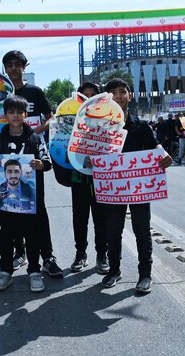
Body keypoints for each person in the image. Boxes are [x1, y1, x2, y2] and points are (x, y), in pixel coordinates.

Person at [98, 79, 173, 293]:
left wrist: (164, 154)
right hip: (112, 188)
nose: (119, 96)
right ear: (107, 98)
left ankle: (145, 274)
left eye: (123, 92)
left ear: (130, 96)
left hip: (139, 187)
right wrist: (88, 161)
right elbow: (90, 152)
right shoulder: (101, 126)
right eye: (113, 92)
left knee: (142, 230)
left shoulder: (140, 125)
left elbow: (155, 145)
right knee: (113, 231)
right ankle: (114, 271)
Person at [0, 50, 63, 277]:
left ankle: (47, 256)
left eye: (18, 64)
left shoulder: (35, 92)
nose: (14, 68)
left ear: (24, 66)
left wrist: (33, 133)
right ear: (5, 67)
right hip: (8, 160)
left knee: (38, 211)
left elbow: (52, 118)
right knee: (11, 206)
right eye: (10, 64)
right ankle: (19, 252)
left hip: (32, 161)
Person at [0, 95, 52, 292]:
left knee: (32, 234)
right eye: (11, 112)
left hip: (30, 198)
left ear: (25, 115)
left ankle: (34, 271)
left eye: (19, 112)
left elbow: (47, 162)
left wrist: (41, 165)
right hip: (5, 198)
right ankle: (5, 271)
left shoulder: (35, 138)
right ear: (5, 115)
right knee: (6, 235)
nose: (15, 116)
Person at [69, 82, 109, 274]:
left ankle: (102, 255)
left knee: (101, 218)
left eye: (93, 95)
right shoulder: (71, 122)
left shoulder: (109, 121)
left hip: (100, 178)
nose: (89, 100)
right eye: (84, 96)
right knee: (79, 218)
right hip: (78, 177)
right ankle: (80, 254)